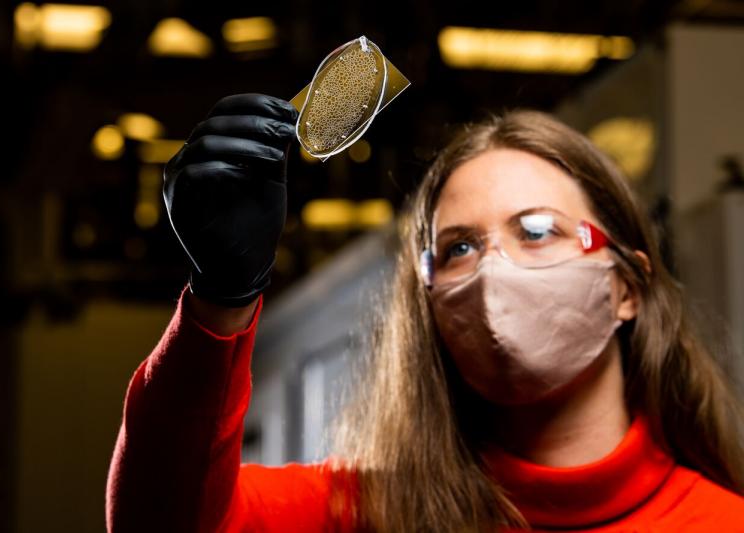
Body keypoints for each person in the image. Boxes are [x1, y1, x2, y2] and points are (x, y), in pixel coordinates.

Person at [105, 93, 744, 532]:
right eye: (459, 247)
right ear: (429, 302)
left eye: (538, 230)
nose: (495, 271)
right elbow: (165, 520)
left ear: (628, 286)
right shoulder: (360, 514)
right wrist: (222, 296)